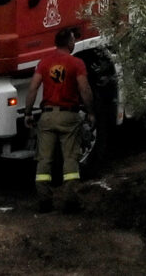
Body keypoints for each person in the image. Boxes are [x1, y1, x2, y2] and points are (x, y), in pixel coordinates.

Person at [32, 31, 94, 212]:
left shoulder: (44, 63)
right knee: (70, 159)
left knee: (44, 160)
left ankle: (44, 201)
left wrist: (28, 113)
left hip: (47, 116)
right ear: (69, 42)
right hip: (69, 116)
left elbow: (33, 89)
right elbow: (84, 88)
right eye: (74, 40)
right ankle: (71, 201)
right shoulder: (76, 63)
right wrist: (91, 113)